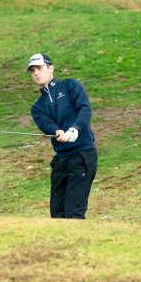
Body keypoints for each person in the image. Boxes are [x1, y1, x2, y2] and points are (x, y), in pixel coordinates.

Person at [26, 53, 98, 219]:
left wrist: (74, 129)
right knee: (57, 215)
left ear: (51, 68)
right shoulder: (37, 107)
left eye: (39, 68)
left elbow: (84, 109)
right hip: (61, 160)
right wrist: (57, 131)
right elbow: (46, 125)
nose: (36, 73)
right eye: (32, 71)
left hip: (82, 155)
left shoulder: (70, 86)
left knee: (74, 214)